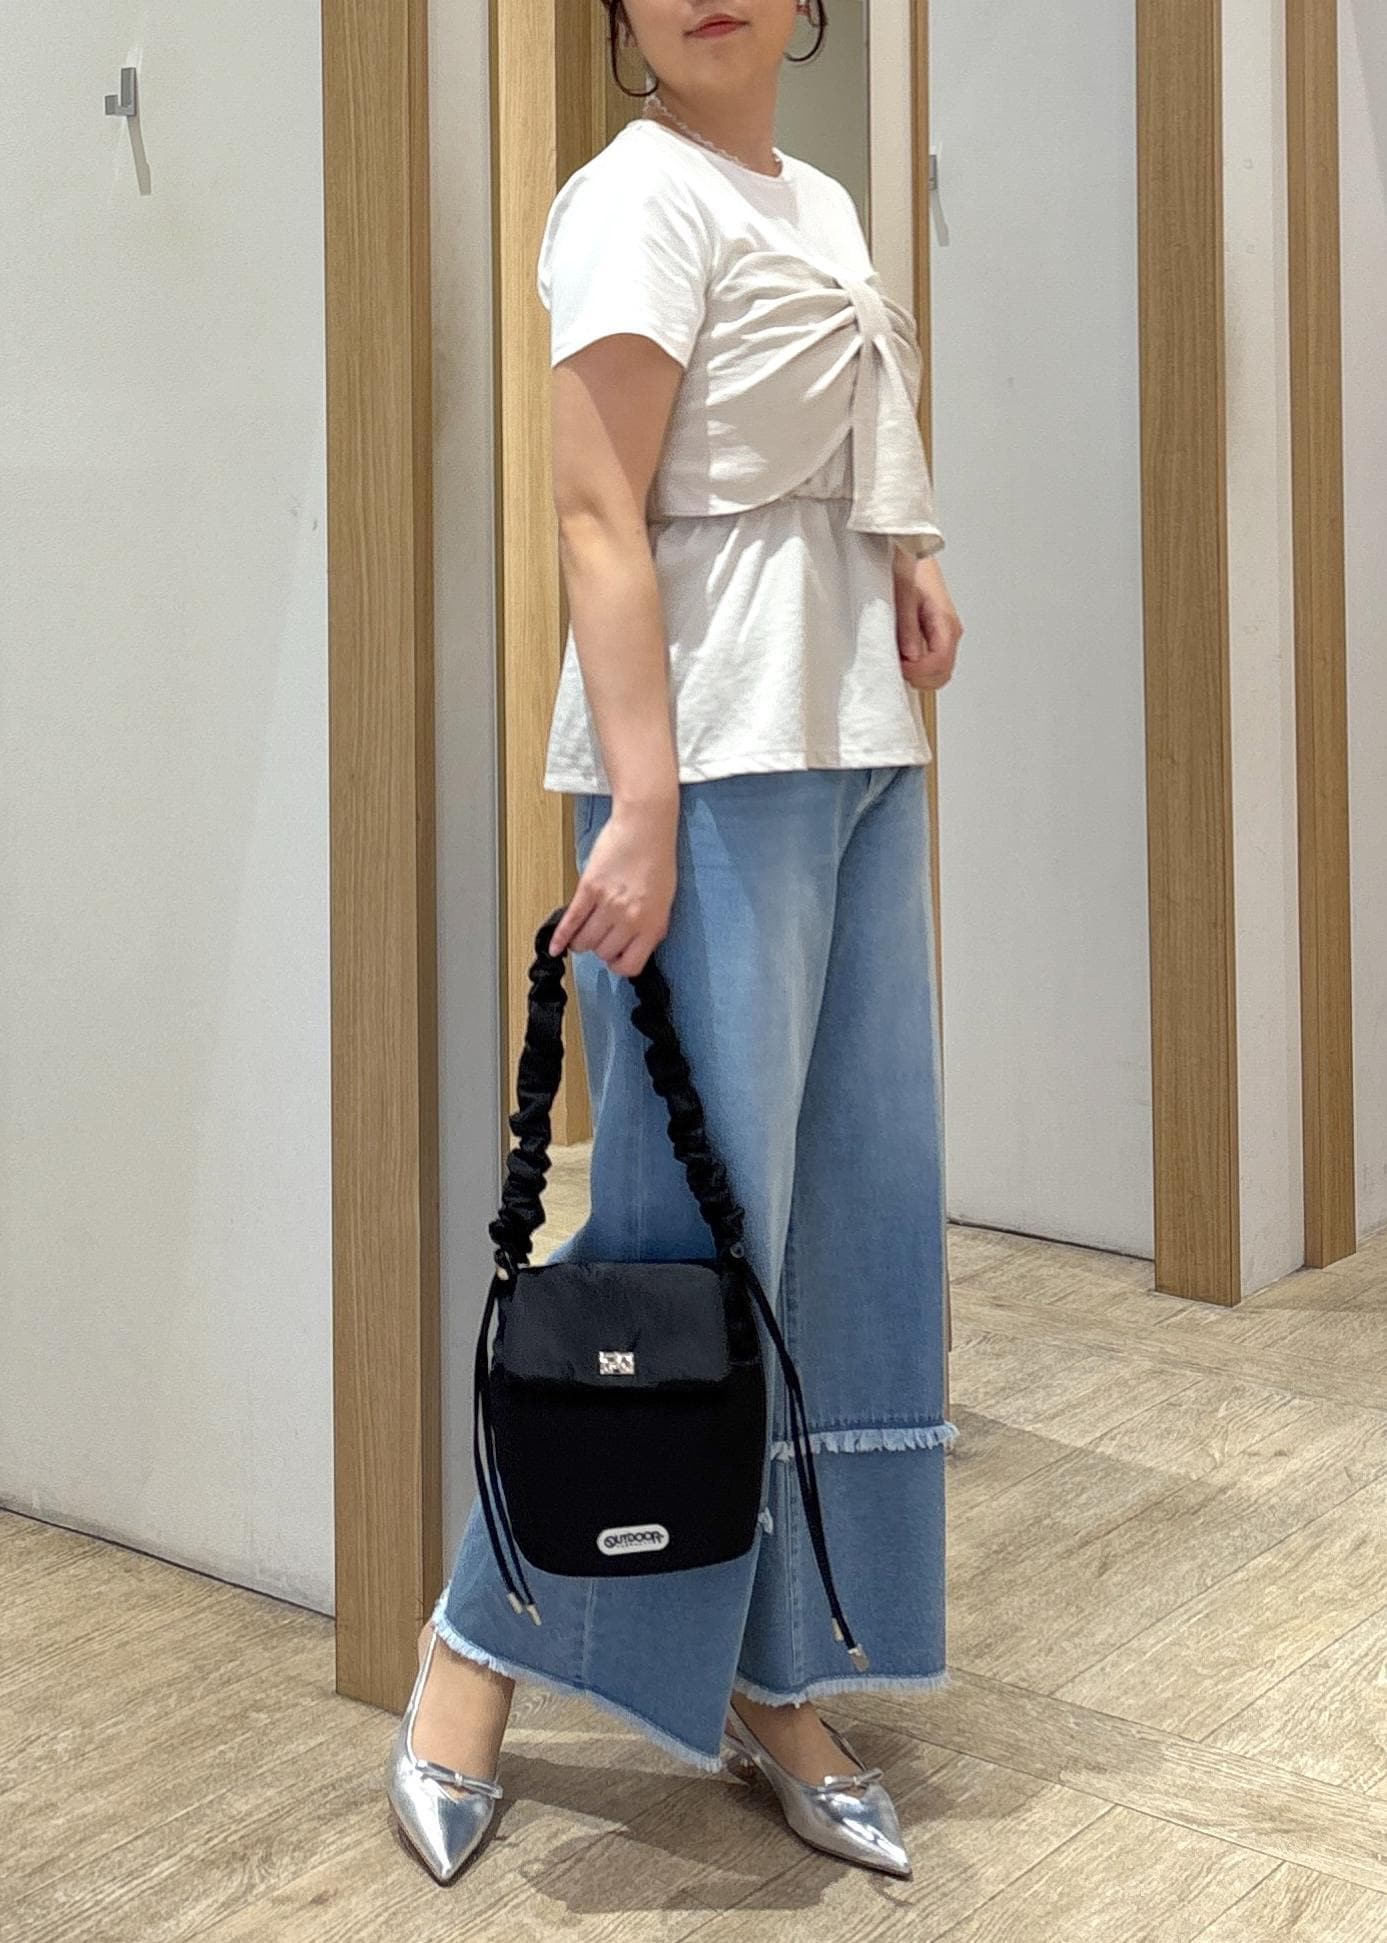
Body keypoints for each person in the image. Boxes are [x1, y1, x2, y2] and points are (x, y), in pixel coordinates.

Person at [387, 0, 963, 1886]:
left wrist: (911, 554)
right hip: (708, 763)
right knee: (678, 1244)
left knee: (844, 1225)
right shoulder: (633, 196)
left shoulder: (821, 198)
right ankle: (478, 1642)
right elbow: (593, 509)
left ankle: (777, 1673)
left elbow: (843, 431)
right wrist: (637, 797)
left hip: (850, 742)